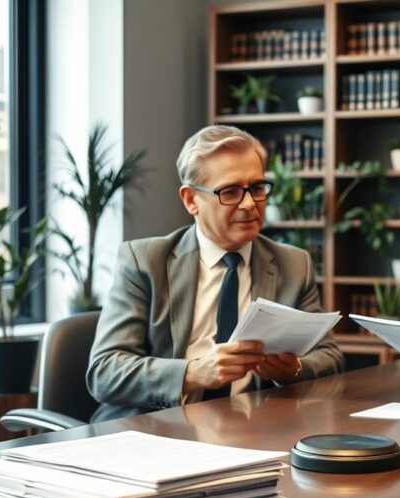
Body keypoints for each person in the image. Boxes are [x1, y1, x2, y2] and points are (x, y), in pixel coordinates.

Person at [88, 125, 344, 422]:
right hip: (159, 429)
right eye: (231, 191)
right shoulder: (145, 261)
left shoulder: (293, 264)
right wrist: (193, 373)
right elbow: (104, 371)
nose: (249, 204)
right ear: (191, 200)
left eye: (257, 188)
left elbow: (330, 356)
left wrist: (294, 369)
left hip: (255, 429)